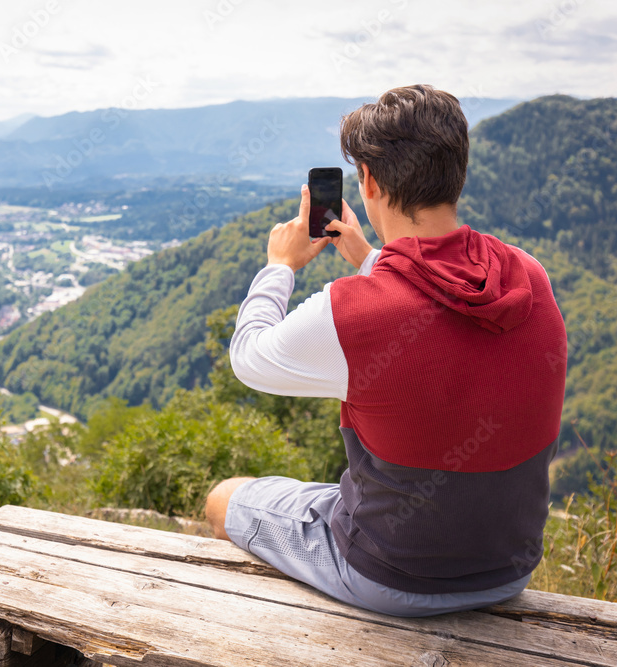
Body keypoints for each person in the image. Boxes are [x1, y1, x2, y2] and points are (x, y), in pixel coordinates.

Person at [204, 84, 567, 617]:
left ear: (368, 180)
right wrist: (369, 257)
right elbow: (440, 306)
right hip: (508, 570)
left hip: (391, 573)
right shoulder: (527, 274)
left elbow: (249, 357)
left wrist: (279, 265)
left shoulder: (351, 311)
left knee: (223, 497)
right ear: (456, 172)